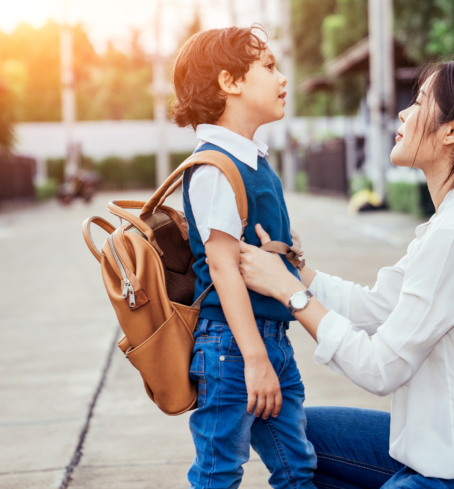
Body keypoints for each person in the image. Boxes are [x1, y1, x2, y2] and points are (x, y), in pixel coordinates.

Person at [238, 59, 454, 489]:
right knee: (286, 427)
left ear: (452, 131)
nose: (403, 113)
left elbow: (381, 368)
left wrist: (290, 293)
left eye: (419, 102)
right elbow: (377, 305)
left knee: (285, 428)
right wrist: (299, 272)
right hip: (441, 450)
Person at [171, 25, 316, 489]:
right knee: (218, 472)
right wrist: (256, 359)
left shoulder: (252, 159)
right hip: (233, 349)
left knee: (297, 467)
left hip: (268, 338)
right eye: (270, 66)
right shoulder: (216, 166)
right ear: (230, 83)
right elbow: (222, 265)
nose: (283, 78)